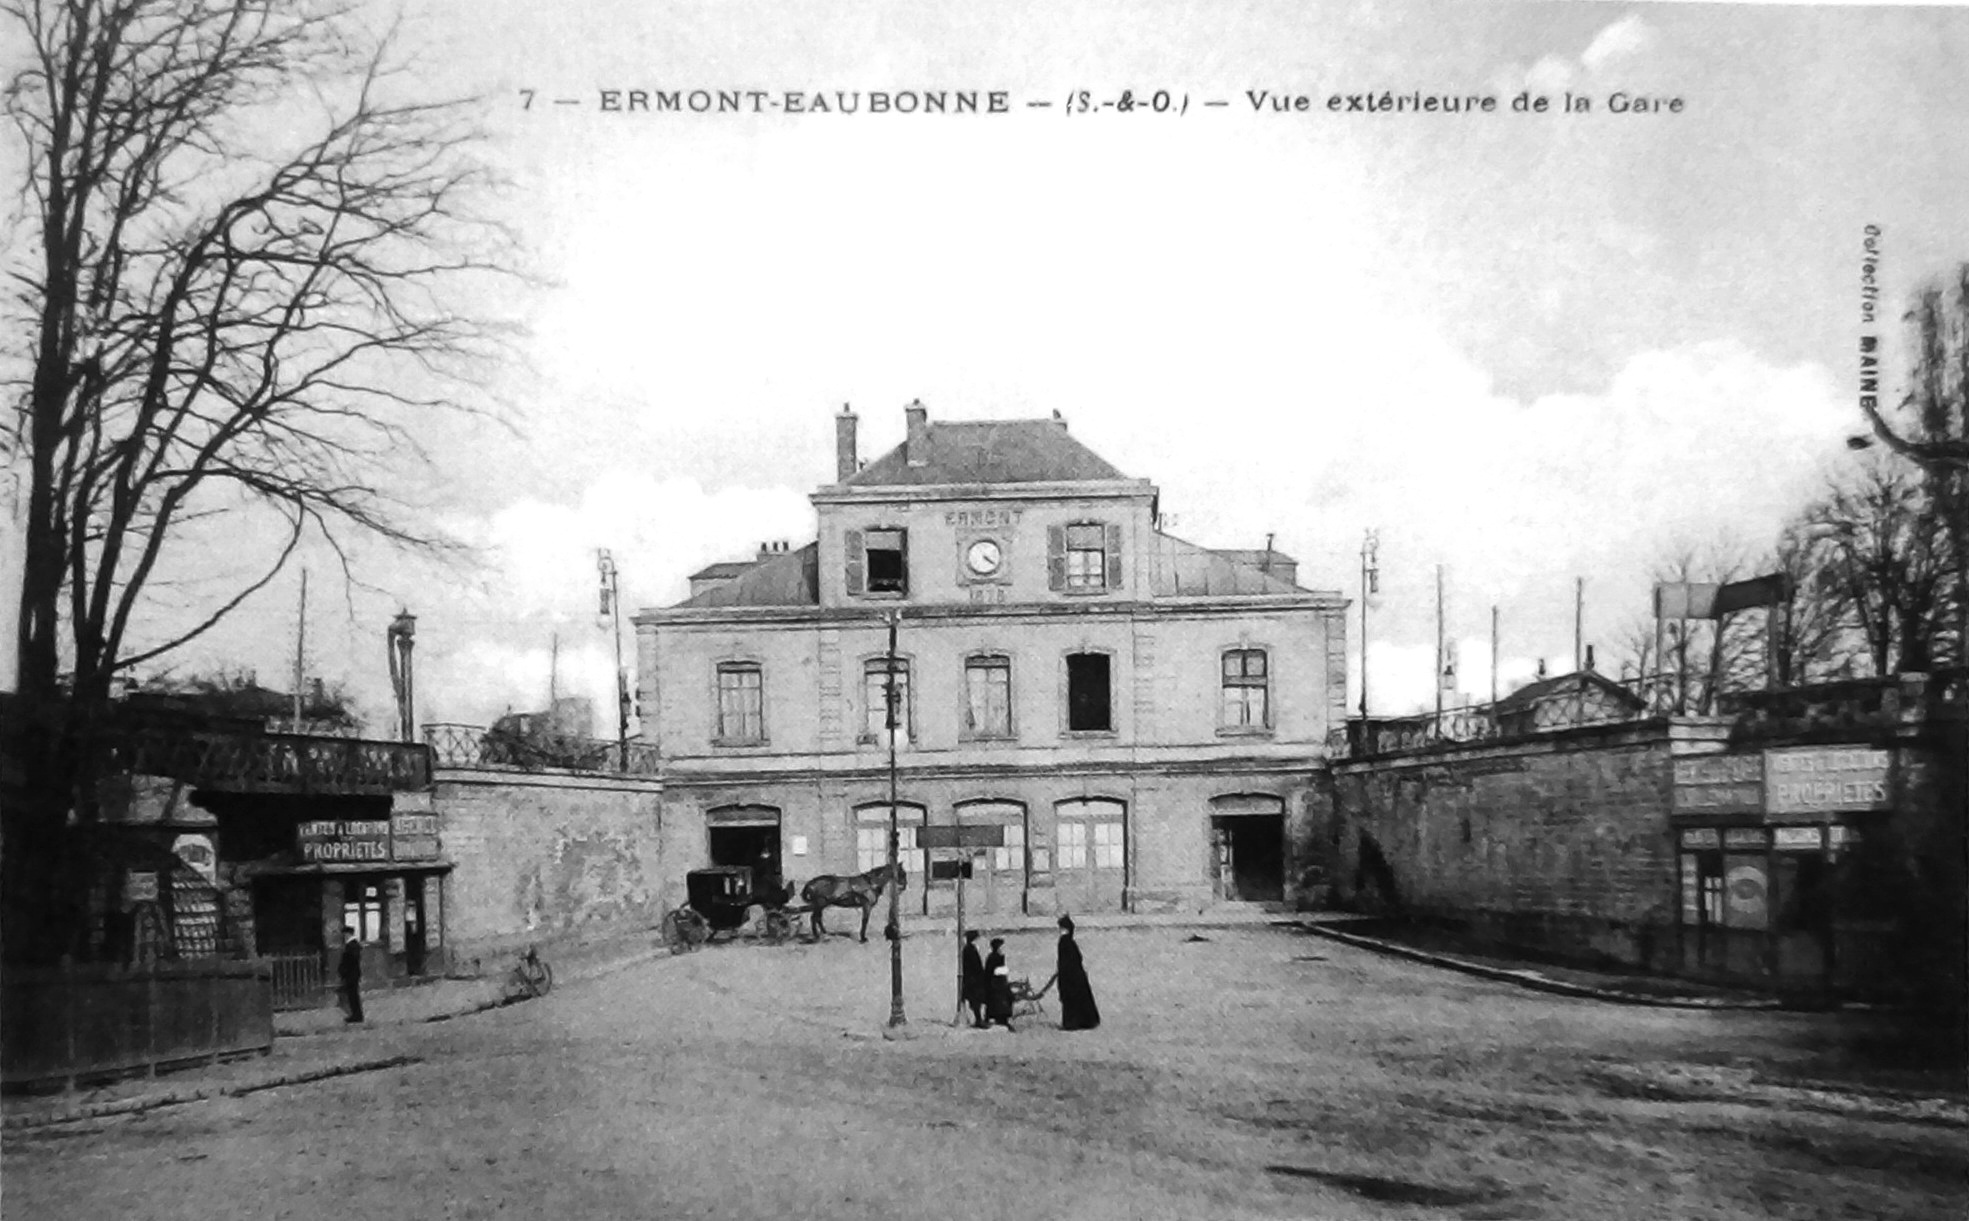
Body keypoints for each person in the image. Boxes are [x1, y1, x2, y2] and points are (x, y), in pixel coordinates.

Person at [1049, 914, 1100, 1030]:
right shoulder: (1070, 942)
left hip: (1069, 977)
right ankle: (1085, 1021)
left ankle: (1072, 1023)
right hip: (1077, 975)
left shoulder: (1064, 942)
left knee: (1070, 999)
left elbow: (1065, 961)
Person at [982, 937, 1015, 1031]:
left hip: (997, 984)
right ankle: (1002, 1019)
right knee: (1004, 1000)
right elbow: (996, 972)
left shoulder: (993, 957)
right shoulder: (995, 957)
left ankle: (998, 1018)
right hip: (997, 985)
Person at [960, 930, 988, 1028]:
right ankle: (979, 1020)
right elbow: (976, 966)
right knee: (976, 1000)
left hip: (972, 979)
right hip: (974, 980)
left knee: (976, 1001)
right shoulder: (970, 950)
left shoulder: (968, 949)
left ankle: (979, 1019)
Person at [338, 927, 365, 1024]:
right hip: (351, 974)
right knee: (351, 995)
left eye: (344, 934)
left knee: (353, 995)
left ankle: (357, 1015)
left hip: (352, 974)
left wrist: (344, 969)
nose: (343, 936)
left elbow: (351, 960)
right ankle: (355, 1014)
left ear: (348, 934)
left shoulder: (352, 945)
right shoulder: (350, 945)